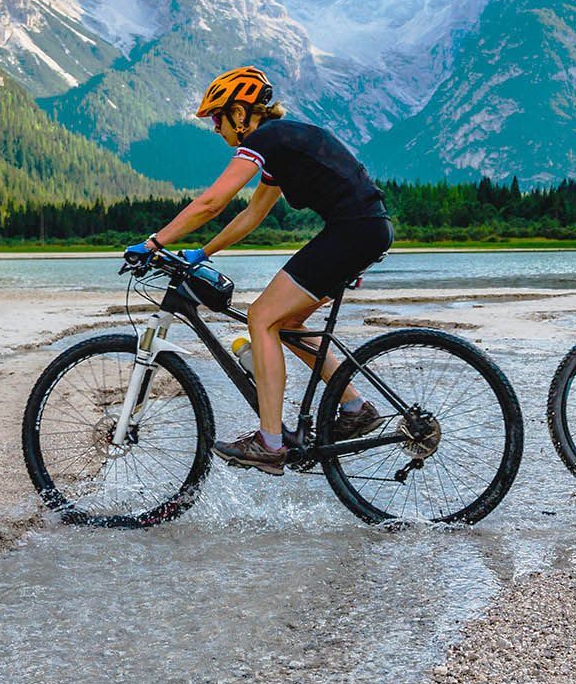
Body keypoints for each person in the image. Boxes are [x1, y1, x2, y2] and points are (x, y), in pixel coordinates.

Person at [125, 67, 393, 475]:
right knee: (286, 324)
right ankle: (355, 408)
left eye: (217, 118)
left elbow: (212, 203)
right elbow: (253, 214)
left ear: (240, 113)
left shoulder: (265, 139)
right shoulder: (280, 144)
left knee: (261, 317)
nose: (215, 128)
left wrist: (153, 243)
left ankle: (270, 443)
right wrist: (202, 252)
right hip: (364, 230)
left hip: (354, 231)